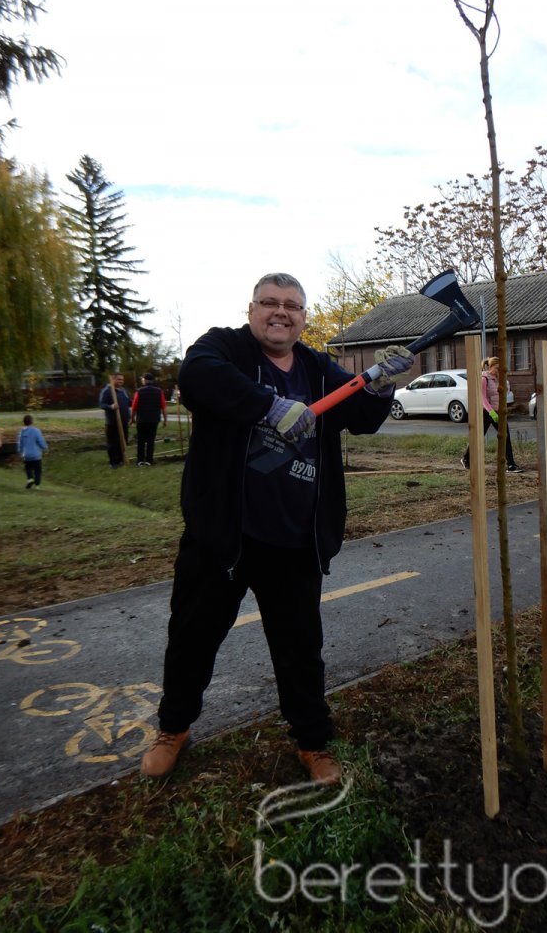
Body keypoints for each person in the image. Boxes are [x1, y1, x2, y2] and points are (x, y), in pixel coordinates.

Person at [140, 272, 414, 785]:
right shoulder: (223, 347)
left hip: (294, 539)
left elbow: (361, 417)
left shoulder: (315, 365)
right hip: (223, 537)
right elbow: (197, 377)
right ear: (252, 309)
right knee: (193, 637)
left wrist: (381, 385)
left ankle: (313, 742)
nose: (280, 312)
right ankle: (173, 729)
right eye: (270, 302)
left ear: (303, 317)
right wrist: (269, 406)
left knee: (299, 648)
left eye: (292, 305)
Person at [461, 357, 523, 473]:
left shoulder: (499, 379)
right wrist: (491, 412)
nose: (498, 371)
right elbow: (482, 398)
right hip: (487, 412)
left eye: (500, 369)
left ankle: (511, 464)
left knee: (505, 436)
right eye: (496, 368)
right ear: (490, 367)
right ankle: (466, 458)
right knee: (478, 437)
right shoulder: (484, 379)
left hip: (499, 411)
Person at [131, 372, 168, 466]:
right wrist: (165, 420)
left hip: (141, 419)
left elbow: (134, 406)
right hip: (154, 419)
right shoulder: (159, 391)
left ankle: (140, 460)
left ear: (144, 380)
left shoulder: (139, 391)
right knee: (151, 440)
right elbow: (163, 406)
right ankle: (149, 460)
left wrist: (132, 419)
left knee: (141, 440)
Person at [99, 373, 131, 468]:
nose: (121, 381)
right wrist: (111, 406)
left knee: (123, 441)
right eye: (119, 379)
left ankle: (121, 459)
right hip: (113, 422)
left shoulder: (123, 390)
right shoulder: (107, 391)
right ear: (113, 380)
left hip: (124, 421)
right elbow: (102, 404)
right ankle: (113, 462)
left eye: (122, 380)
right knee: (113, 443)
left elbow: (128, 401)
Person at [18, 415, 48, 489]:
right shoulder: (36, 431)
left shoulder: (22, 432)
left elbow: (20, 443)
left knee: (28, 468)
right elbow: (40, 441)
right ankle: (37, 485)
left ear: (24, 422)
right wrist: (45, 448)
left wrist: (20, 452)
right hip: (36, 455)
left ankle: (30, 479)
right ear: (32, 421)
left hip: (26, 455)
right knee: (37, 470)